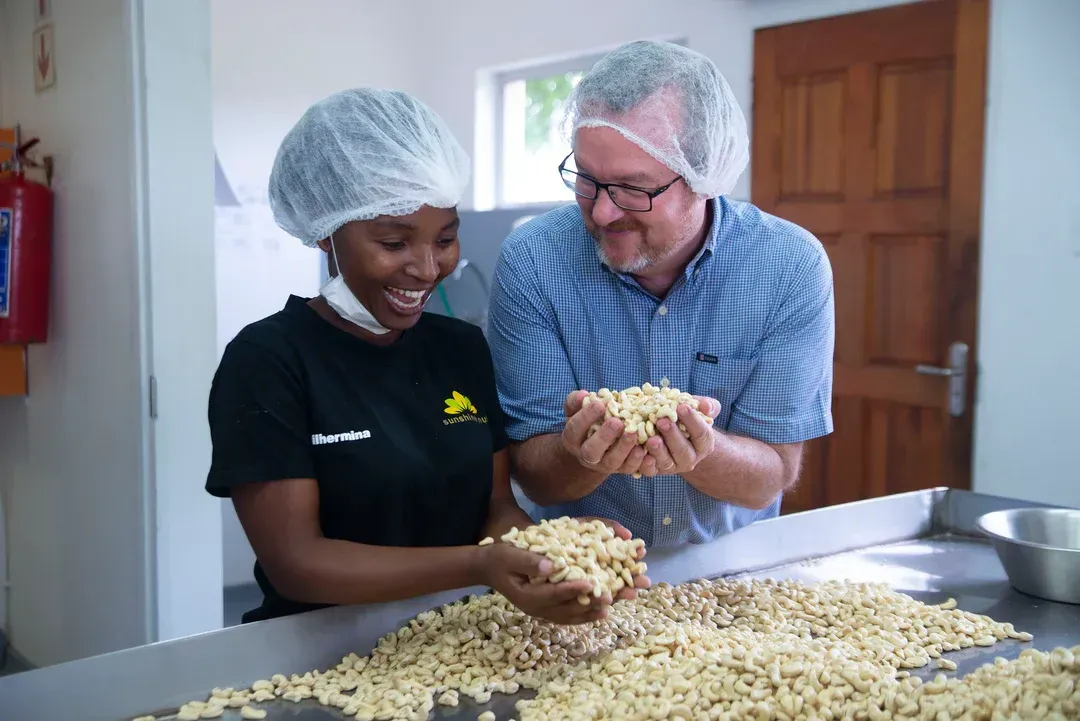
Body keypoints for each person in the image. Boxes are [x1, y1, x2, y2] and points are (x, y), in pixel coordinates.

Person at [204, 88, 647, 625]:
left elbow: (495, 508)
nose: (426, 268)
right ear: (326, 233)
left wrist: (559, 556)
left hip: (456, 637)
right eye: (393, 243)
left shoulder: (458, 347)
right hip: (313, 648)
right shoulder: (268, 361)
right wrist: (481, 566)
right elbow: (297, 562)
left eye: (445, 238)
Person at [487, 40, 835, 547]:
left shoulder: (787, 267)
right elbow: (533, 473)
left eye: (633, 188)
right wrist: (584, 452)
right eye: (586, 179)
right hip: (580, 567)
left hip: (726, 571)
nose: (603, 213)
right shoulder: (534, 260)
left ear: (703, 177)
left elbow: (771, 475)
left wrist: (701, 449)